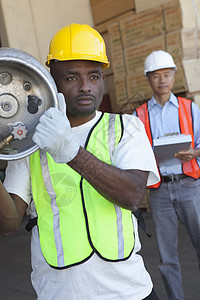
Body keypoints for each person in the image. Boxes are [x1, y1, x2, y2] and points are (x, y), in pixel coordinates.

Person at [0, 23, 160, 300]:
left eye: (94, 77)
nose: (86, 87)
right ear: (50, 80)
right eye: (72, 78)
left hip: (129, 291)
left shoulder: (125, 127)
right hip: (59, 292)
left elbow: (133, 195)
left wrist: (70, 152)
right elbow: (8, 224)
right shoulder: (29, 143)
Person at [134, 50, 200, 300]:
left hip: (190, 187)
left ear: (174, 76)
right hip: (160, 193)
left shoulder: (190, 109)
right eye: (156, 76)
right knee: (167, 257)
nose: (162, 81)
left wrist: (194, 153)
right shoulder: (138, 117)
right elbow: (133, 154)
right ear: (148, 79)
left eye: (166, 75)